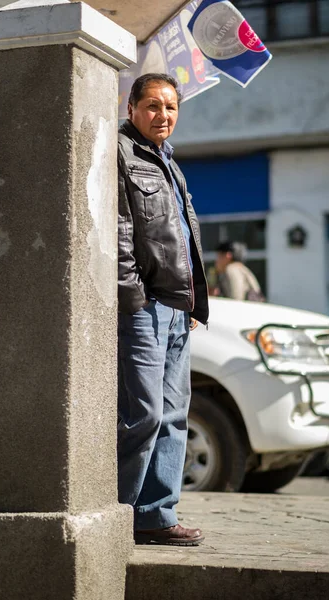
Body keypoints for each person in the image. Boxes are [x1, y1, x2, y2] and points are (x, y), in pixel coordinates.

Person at [117, 73, 209, 546]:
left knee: (174, 416)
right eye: (153, 106)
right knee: (144, 414)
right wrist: (134, 301)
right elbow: (120, 236)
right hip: (144, 308)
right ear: (131, 107)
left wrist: (192, 300)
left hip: (177, 308)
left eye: (171, 107)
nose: (163, 116)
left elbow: (184, 236)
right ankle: (116, 516)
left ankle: (154, 516)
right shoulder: (121, 152)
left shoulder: (169, 161)